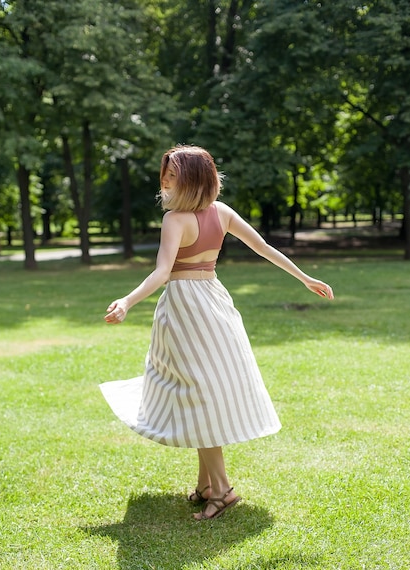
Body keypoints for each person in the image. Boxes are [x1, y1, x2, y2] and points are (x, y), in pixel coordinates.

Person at [100, 145, 334, 521]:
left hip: (187, 309)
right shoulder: (220, 213)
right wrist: (304, 277)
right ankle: (207, 485)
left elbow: (164, 272)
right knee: (201, 392)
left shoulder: (176, 220)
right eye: (165, 173)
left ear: (192, 180)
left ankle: (221, 490)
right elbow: (263, 247)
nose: (165, 180)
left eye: (172, 175)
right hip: (213, 303)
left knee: (196, 393)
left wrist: (127, 301)